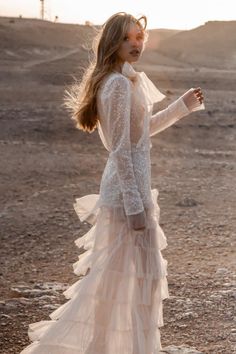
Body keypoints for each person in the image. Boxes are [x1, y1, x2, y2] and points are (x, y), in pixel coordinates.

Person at [20, 12, 205, 354]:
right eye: (127, 38)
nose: (136, 44)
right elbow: (121, 150)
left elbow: (140, 133)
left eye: (139, 37)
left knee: (124, 285)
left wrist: (182, 107)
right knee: (121, 284)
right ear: (112, 43)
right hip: (126, 197)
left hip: (130, 191)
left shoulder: (123, 80)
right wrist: (136, 207)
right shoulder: (118, 85)